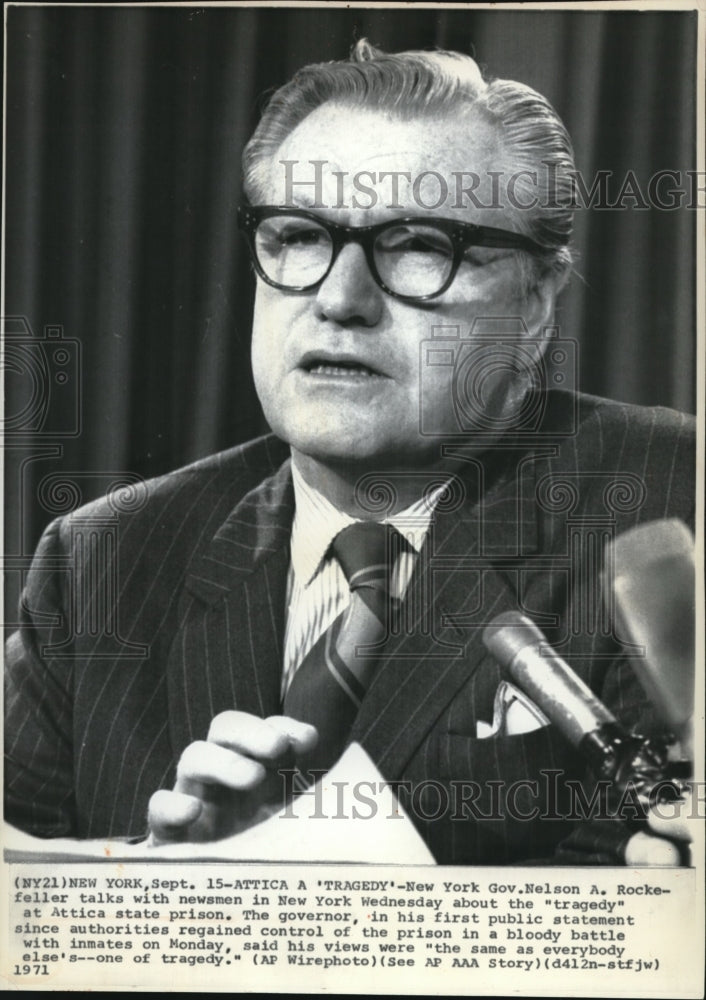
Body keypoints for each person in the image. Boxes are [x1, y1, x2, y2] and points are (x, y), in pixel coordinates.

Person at [4, 42, 696, 865]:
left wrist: (266, 886)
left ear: (537, 303)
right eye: (297, 236)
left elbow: (651, 902)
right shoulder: (101, 558)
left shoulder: (669, 502)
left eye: (419, 246)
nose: (340, 300)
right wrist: (154, 878)